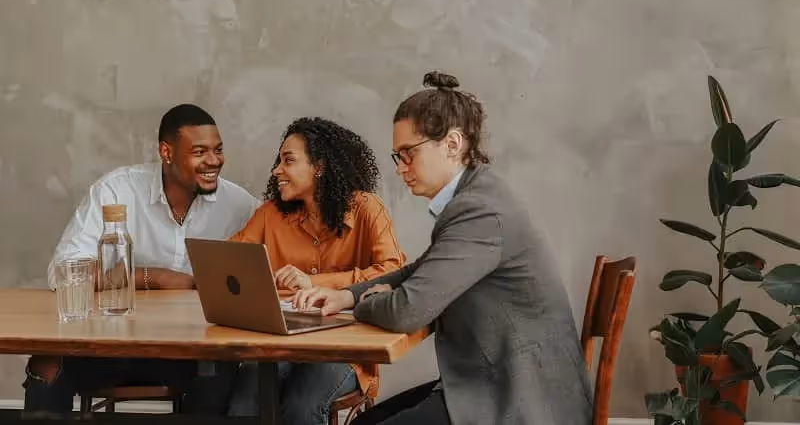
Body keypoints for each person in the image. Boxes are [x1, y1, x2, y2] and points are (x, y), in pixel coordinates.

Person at [293, 72, 593, 425]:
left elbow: (407, 311)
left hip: (519, 398)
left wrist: (369, 302)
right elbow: (419, 270)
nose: (401, 168)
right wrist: (346, 296)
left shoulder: (480, 211)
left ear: (452, 144)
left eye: (408, 154)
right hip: (491, 381)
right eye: (397, 157)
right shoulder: (476, 196)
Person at [24, 104, 260, 416]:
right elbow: (65, 272)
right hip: (110, 346)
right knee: (46, 364)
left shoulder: (239, 205)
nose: (213, 161)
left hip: (191, 353)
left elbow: (272, 259)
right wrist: (157, 278)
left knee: (219, 373)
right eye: (200, 151)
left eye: (218, 150)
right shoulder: (117, 190)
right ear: (167, 152)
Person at [223, 117, 406, 425]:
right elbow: (228, 263)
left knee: (301, 404)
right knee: (246, 398)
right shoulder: (270, 215)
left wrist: (316, 283)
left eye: (288, 161)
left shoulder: (366, 209)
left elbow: (392, 271)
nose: (276, 171)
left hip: (346, 350)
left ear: (319, 167)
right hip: (280, 344)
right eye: (278, 161)